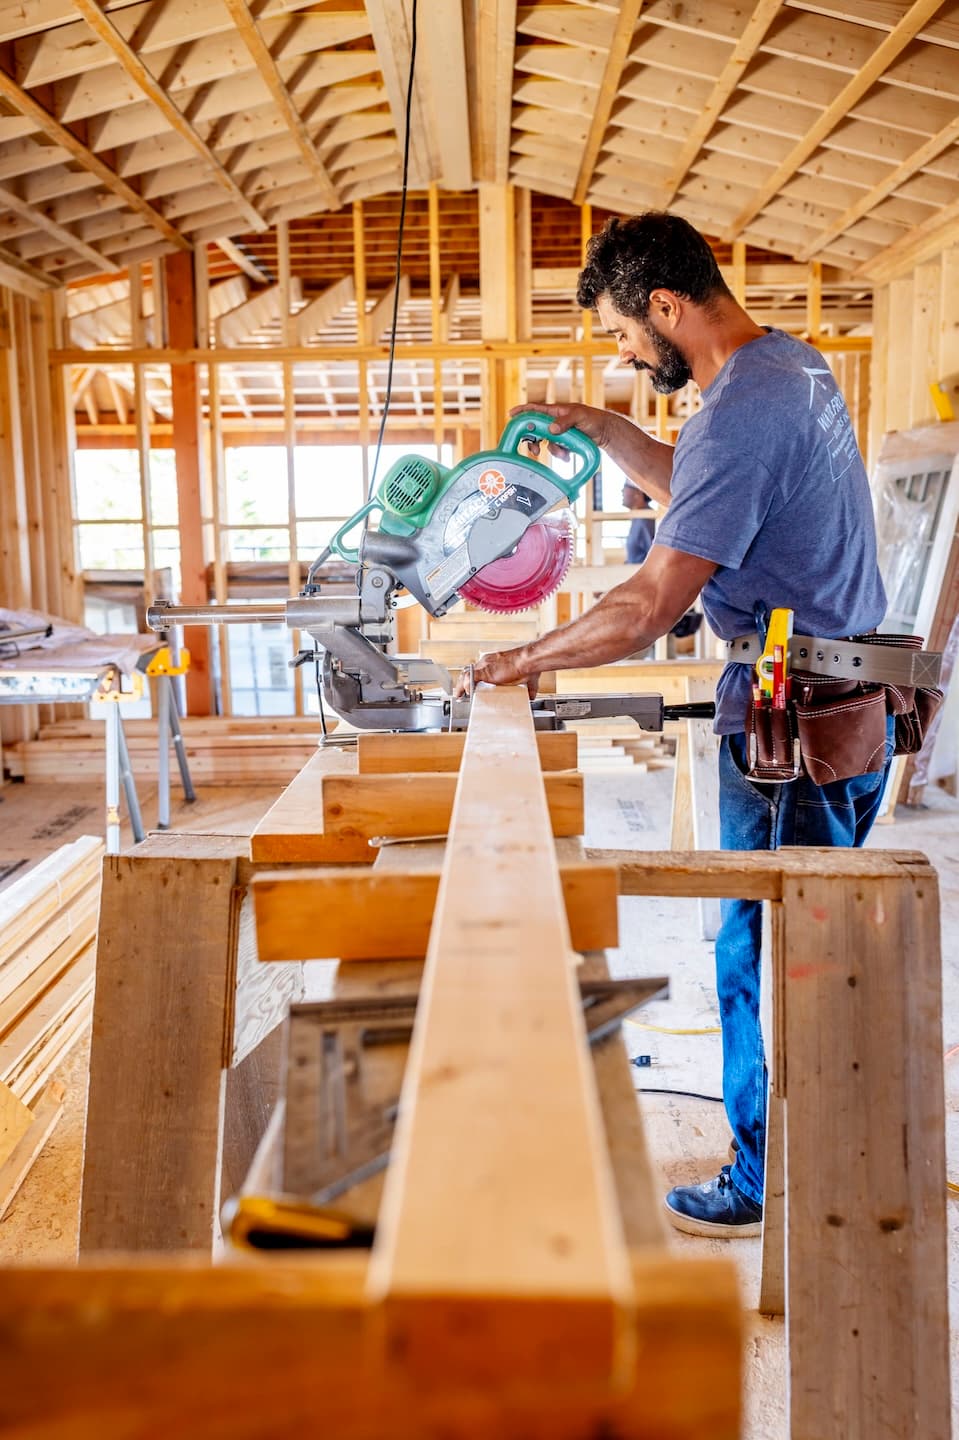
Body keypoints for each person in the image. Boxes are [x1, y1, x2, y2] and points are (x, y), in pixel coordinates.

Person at [456, 211, 891, 1238]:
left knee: (770, 956)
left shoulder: (739, 414)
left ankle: (772, 1184)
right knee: (802, 954)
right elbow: (706, 498)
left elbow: (653, 602)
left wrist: (521, 657)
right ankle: (807, 1155)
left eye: (619, 332)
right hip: (836, 704)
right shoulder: (778, 371)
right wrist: (611, 435)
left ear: (662, 306)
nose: (621, 352)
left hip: (798, 725)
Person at [623, 480, 655, 564]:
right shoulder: (638, 517)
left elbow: (652, 554)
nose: (622, 491)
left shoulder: (645, 519)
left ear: (638, 493)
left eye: (626, 488)